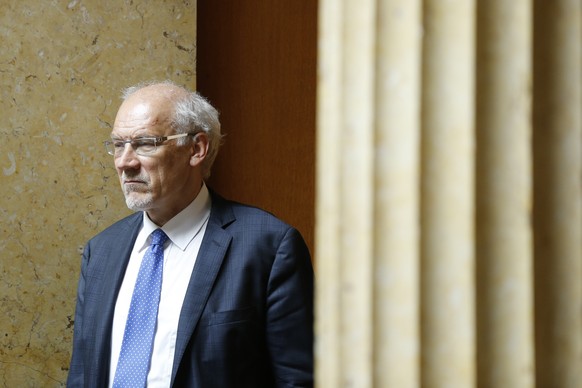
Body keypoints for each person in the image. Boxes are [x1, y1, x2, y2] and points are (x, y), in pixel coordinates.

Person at [67, 81, 314, 387]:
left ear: (196, 149)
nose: (124, 162)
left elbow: (298, 380)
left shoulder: (269, 248)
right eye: (118, 144)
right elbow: (81, 377)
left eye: (145, 143)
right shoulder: (101, 252)